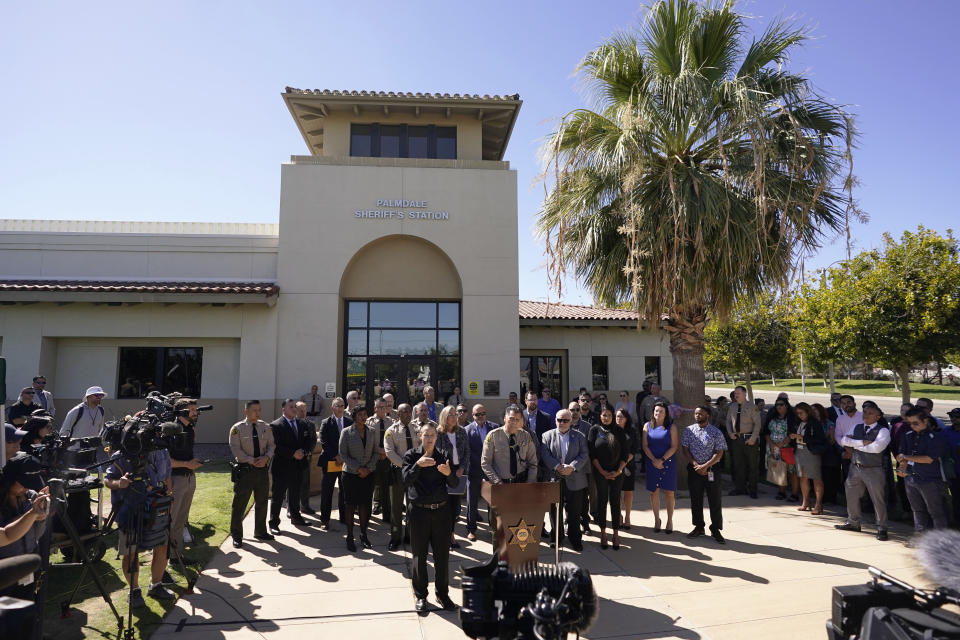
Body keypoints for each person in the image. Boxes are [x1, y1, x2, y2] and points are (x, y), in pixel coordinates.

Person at [104, 444, 175, 606]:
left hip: (157, 506)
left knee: (162, 546)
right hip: (130, 509)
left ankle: (156, 585)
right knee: (131, 552)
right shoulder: (123, 454)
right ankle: (134, 590)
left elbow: (167, 474)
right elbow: (108, 480)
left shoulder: (163, 450)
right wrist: (119, 484)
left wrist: (170, 495)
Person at [402, 423, 458, 613]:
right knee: (419, 556)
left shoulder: (443, 456)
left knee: (442, 557)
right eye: (426, 435)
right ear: (420, 436)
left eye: (433, 435)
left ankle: (442, 594)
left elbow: (455, 483)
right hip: (419, 512)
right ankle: (421, 596)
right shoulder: (411, 456)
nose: (429, 438)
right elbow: (406, 479)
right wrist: (418, 465)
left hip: (441, 512)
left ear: (436, 437)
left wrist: (449, 473)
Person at [835, 402, 891, 541]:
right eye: (865, 412)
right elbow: (844, 441)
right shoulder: (856, 426)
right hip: (855, 467)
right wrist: (861, 443)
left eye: (870, 413)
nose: (866, 415)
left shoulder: (883, 430)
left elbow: (876, 449)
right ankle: (853, 522)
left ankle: (882, 527)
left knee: (877, 499)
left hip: (873, 469)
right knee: (851, 495)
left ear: (877, 417)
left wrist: (855, 445)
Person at [0, 454, 51, 602]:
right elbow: (6, 535)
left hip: (27, 565)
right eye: (23, 483)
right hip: (5, 569)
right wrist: (32, 514)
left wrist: (41, 517)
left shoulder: (31, 496)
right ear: (10, 479)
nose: (27, 488)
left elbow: (37, 535)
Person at [228, 400, 276, 547]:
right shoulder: (237, 428)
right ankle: (236, 535)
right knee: (240, 504)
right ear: (246, 412)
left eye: (259, 410)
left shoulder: (265, 427)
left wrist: (266, 457)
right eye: (254, 410)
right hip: (246, 471)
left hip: (262, 470)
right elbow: (235, 448)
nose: (258, 413)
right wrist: (251, 460)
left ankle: (260, 531)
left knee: (262, 502)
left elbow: (272, 445)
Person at [540, 409, 589, 551]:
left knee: (574, 512)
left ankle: (575, 538)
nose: (562, 423)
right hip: (554, 479)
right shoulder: (546, 436)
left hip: (575, 479)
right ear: (555, 420)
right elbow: (545, 454)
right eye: (559, 420)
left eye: (565, 420)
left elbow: (584, 454)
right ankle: (557, 537)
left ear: (571, 421)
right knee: (554, 511)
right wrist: (557, 466)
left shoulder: (579, 436)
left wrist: (572, 467)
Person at [897, 408, 949, 532]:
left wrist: (906, 457)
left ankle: (940, 542)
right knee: (917, 510)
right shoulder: (908, 435)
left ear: (925, 421)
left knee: (936, 512)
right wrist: (902, 467)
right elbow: (902, 455)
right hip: (910, 477)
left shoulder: (935, 437)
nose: (912, 426)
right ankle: (920, 537)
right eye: (910, 423)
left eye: (915, 423)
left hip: (930, 480)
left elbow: (928, 459)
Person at [269, 398, 317, 534]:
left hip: (298, 466)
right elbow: (276, 446)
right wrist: (292, 453)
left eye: (295, 407)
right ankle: (273, 523)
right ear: (283, 409)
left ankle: (296, 517)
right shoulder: (276, 425)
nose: (294, 409)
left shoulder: (302, 424)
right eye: (291, 407)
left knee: (295, 494)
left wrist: (304, 451)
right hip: (282, 467)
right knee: (278, 497)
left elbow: (308, 441)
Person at [682, 405, 728, 544]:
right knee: (696, 499)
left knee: (715, 500)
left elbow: (719, 452)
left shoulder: (716, 432)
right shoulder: (689, 430)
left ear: (707, 415)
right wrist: (696, 465)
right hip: (694, 470)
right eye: (696, 414)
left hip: (712, 470)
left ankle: (715, 529)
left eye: (700, 413)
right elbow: (685, 449)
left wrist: (706, 466)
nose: (697, 416)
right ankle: (699, 527)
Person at [587, 408, 628, 549]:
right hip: (600, 472)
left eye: (609, 415)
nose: (606, 417)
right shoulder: (594, 430)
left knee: (615, 502)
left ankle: (616, 534)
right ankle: (603, 533)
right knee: (602, 501)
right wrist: (602, 472)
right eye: (604, 415)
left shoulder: (619, 431)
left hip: (617, 473)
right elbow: (592, 454)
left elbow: (625, 454)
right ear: (600, 415)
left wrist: (618, 470)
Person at [339, 404, 378, 551]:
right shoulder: (347, 432)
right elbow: (343, 454)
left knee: (365, 505)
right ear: (354, 416)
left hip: (368, 475)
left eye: (365, 414)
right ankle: (350, 536)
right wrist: (358, 468)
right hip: (350, 475)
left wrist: (368, 468)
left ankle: (363, 534)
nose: (363, 417)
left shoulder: (372, 432)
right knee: (350, 505)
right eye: (360, 414)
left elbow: (375, 452)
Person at [168, 398, 203, 561]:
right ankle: (164, 558)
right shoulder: (171, 430)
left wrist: (192, 464)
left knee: (181, 520)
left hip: (189, 478)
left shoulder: (189, 429)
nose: (196, 413)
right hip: (175, 481)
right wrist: (186, 464)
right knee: (171, 520)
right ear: (182, 411)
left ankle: (176, 556)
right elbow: (165, 461)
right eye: (193, 410)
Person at [384, 404, 421, 550]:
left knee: (413, 505)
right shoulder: (391, 431)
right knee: (396, 507)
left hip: (415, 473)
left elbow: (422, 447)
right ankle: (395, 537)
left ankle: (409, 535)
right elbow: (389, 452)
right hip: (398, 472)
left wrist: (416, 466)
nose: (408, 414)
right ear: (398, 413)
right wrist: (406, 466)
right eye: (404, 411)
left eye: (409, 411)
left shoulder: (417, 429)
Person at [435, 406, 469, 548]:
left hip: (457, 472)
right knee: (444, 507)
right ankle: (448, 536)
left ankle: (450, 533)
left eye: (455, 414)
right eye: (451, 415)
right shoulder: (438, 433)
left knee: (455, 508)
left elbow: (467, 452)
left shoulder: (461, 432)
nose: (455, 417)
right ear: (444, 417)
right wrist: (446, 470)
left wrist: (461, 468)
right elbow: (436, 454)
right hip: (443, 472)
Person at [643, 402, 679, 533]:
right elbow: (645, 445)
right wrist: (654, 460)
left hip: (667, 462)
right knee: (654, 492)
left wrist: (662, 460)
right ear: (653, 412)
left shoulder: (672, 427)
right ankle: (657, 520)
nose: (658, 413)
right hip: (652, 462)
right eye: (656, 411)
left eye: (661, 411)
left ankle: (670, 521)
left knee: (669, 492)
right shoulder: (647, 426)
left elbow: (674, 446)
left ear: (666, 414)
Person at [480, 405, 538, 486]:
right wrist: (497, 481)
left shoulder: (526, 436)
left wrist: (529, 483)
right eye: (511, 418)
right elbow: (485, 463)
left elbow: (533, 463)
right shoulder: (493, 436)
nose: (514, 422)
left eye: (517, 419)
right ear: (504, 418)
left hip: (522, 482)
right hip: (500, 483)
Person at [317, 397, 351, 529]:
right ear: (332, 408)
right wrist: (335, 455)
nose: (341, 408)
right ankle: (325, 520)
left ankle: (344, 518)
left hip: (345, 463)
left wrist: (344, 457)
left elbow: (351, 440)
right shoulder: (326, 422)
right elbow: (324, 441)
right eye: (338, 406)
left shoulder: (349, 422)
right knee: (327, 492)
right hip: (330, 462)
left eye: (342, 406)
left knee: (344, 491)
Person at [464, 404, 496, 542]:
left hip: (492, 471)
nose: (481, 416)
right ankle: (471, 529)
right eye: (477, 414)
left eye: (483, 413)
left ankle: (494, 528)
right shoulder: (467, 430)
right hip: (474, 471)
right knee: (472, 501)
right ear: (473, 416)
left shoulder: (494, 428)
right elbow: (467, 452)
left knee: (492, 501)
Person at [791, 402, 827, 515]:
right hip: (799, 451)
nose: (799, 415)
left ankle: (818, 504)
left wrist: (802, 437)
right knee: (803, 477)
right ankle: (806, 501)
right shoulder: (798, 422)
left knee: (816, 478)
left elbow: (820, 439)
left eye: (801, 413)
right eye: (797, 413)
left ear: (808, 412)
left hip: (811, 452)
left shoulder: (815, 423)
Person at [726, 386, 762, 498]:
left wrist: (753, 438)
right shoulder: (732, 406)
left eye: (738, 393)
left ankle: (753, 490)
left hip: (749, 438)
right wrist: (730, 433)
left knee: (752, 465)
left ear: (744, 394)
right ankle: (740, 488)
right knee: (738, 464)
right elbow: (728, 421)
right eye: (735, 393)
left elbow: (758, 424)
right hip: (736, 439)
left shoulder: (753, 407)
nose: (736, 395)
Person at [762, 398, 798, 501]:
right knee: (779, 469)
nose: (779, 406)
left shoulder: (791, 417)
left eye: (781, 404)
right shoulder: (772, 416)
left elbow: (792, 433)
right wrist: (772, 444)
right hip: (773, 447)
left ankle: (794, 494)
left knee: (792, 471)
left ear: (786, 405)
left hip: (787, 448)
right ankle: (781, 491)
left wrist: (781, 444)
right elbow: (766, 432)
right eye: (777, 404)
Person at [811, 402, 842, 505]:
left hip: (827, 453)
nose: (813, 412)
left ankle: (830, 497)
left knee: (829, 476)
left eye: (815, 410)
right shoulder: (811, 423)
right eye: (812, 410)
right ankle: (820, 496)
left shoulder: (829, 423)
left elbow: (832, 440)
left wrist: (822, 444)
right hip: (814, 453)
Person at [614, 408, 640, 530]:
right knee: (616, 492)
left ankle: (628, 517)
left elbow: (634, 449)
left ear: (626, 419)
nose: (619, 419)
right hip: (614, 466)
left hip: (628, 465)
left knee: (628, 492)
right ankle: (618, 516)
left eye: (622, 417)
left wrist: (623, 464)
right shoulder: (612, 430)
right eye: (617, 416)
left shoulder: (632, 431)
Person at [371, 398, 395, 519]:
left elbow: (393, 440)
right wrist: (378, 451)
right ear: (375, 408)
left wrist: (385, 452)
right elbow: (368, 441)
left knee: (386, 486)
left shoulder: (391, 422)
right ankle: (375, 505)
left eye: (384, 407)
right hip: (373, 458)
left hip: (387, 458)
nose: (382, 410)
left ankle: (387, 513)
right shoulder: (369, 422)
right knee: (373, 484)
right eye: (380, 407)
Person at [295, 401, 319, 515]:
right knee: (293, 484)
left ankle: (305, 506)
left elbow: (313, 440)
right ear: (296, 410)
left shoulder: (310, 424)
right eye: (300, 410)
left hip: (306, 458)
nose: (303, 412)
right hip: (293, 458)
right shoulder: (292, 423)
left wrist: (308, 451)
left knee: (305, 483)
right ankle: (292, 508)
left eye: (305, 410)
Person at [834, 395, 862, 482]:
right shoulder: (840, 419)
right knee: (850, 480)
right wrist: (847, 448)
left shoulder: (863, 417)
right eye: (843, 403)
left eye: (849, 402)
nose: (846, 405)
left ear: (854, 403)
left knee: (865, 481)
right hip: (847, 453)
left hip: (862, 453)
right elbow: (837, 436)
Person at [943, 408, 960, 526]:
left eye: (956, 416)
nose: (953, 419)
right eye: (951, 416)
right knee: (956, 497)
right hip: (953, 470)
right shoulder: (946, 431)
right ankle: (957, 520)